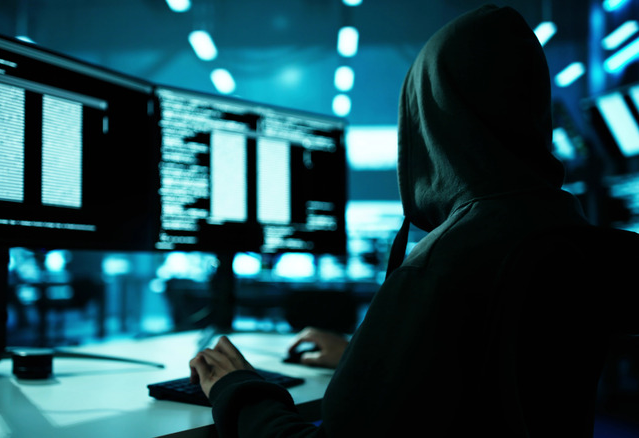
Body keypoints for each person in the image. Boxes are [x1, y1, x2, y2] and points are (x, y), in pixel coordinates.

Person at [189, 4, 639, 437]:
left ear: (426, 126)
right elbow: (490, 379)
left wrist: (238, 387)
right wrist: (371, 360)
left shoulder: (444, 267)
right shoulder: (571, 237)